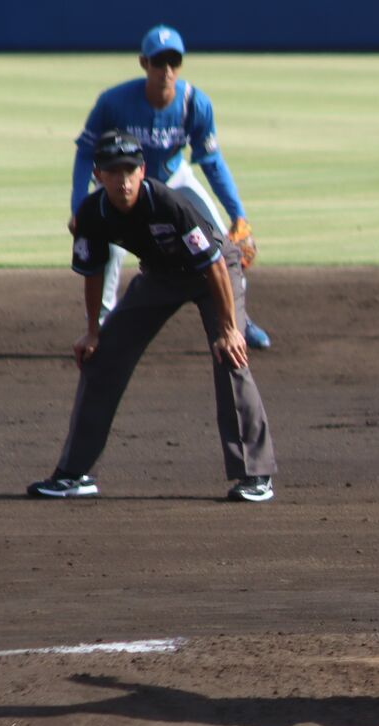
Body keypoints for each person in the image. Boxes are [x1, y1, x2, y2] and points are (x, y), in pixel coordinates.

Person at [29, 130, 277, 502]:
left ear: (142, 170)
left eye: (130, 169)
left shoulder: (166, 202)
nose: (123, 180)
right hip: (160, 275)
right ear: (98, 174)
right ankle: (75, 473)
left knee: (230, 355)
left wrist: (228, 329)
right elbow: (93, 271)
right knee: (102, 356)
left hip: (215, 272)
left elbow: (214, 266)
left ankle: (255, 475)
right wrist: (92, 331)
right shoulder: (92, 214)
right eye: (114, 171)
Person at [69, 24, 272, 350]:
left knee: (222, 243)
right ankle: (101, 327)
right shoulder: (114, 102)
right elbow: (85, 153)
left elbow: (212, 161)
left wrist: (238, 214)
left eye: (173, 62)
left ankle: (240, 321)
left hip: (174, 178)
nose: (166, 70)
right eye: (158, 61)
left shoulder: (194, 103)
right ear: (143, 62)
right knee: (108, 247)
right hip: (126, 185)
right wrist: (79, 207)